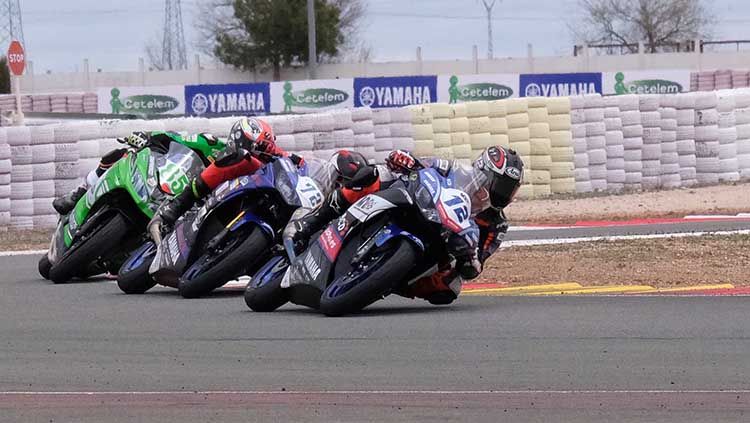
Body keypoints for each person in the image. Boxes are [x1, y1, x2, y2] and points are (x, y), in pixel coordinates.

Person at [392, 146, 524, 305]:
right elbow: (424, 164)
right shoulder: (456, 171)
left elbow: (479, 261)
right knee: (369, 173)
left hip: (440, 245)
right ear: (484, 171)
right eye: (502, 186)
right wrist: (408, 159)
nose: (503, 194)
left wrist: (471, 261)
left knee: (450, 287)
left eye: (510, 189)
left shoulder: (497, 225)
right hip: (415, 207)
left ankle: (390, 282)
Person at [149, 117, 300, 230]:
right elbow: (175, 138)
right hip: (195, 197)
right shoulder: (212, 144)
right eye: (256, 146)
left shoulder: (268, 155)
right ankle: (174, 209)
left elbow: (297, 162)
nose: (261, 151)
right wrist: (147, 137)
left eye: (264, 147)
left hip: (248, 199)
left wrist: (296, 162)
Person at [283, 149, 405, 255]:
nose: (341, 185)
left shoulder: (361, 191)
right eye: (339, 180)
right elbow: (292, 162)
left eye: (346, 182)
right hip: (305, 210)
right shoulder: (315, 173)